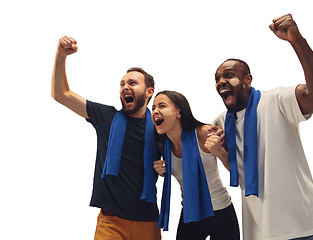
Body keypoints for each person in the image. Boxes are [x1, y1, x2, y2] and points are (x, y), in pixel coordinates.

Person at [205, 14, 313, 240]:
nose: (220, 82)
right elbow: (239, 170)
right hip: (259, 232)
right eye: (217, 78)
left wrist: (297, 40)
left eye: (229, 75)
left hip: (302, 227)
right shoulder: (222, 122)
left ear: (248, 79)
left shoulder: (277, 100)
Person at [51, 36, 161, 240]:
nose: (125, 87)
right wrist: (61, 56)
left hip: (148, 222)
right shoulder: (106, 117)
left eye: (132, 83)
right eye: (122, 84)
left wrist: (167, 167)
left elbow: (181, 153)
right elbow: (61, 93)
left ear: (149, 92)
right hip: (111, 222)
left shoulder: (159, 126)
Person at [152, 91, 240, 240]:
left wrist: (219, 151)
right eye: (153, 107)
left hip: (221, 211)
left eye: (162, 106)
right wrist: (162, 171)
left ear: (178, 112)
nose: (155, 111)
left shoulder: (204, 133)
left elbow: (236, 171)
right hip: (190, 214)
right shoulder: (163, 145)